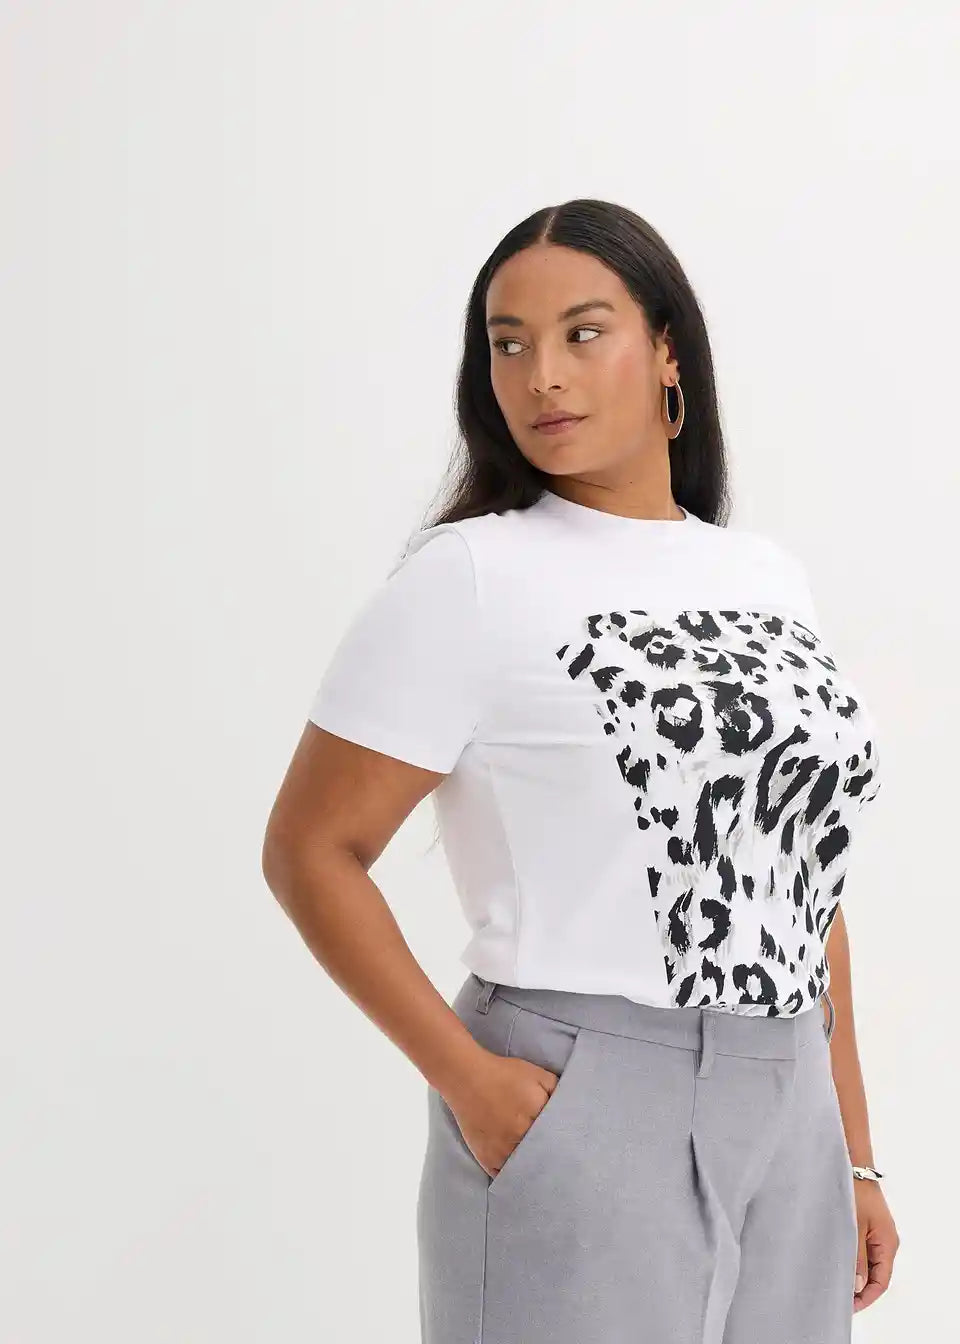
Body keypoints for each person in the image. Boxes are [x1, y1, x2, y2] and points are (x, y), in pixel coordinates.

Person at [261, 198, 899, 1342]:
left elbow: (804, 883)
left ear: (668, 351)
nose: (541, 375)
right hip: (576, 1089)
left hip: (789, 1098)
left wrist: (854, 1153)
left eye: (582, 332)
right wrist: (474, 1084)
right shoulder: (470, 577)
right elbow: (311, 851)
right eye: (508, 344)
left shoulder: (765, 577)